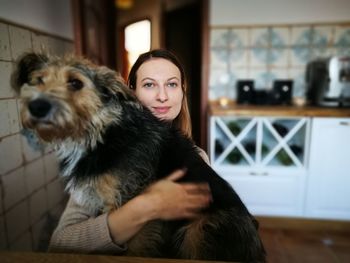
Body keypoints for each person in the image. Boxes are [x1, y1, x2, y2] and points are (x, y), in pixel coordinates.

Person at [48, 49, 211, 254]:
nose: (162, 96)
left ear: (182, 91)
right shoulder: (100, 156)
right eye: (149, 85)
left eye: (171, 84)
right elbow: (59, 243)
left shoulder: (198, 158)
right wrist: (148, 206)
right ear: (132, 92)